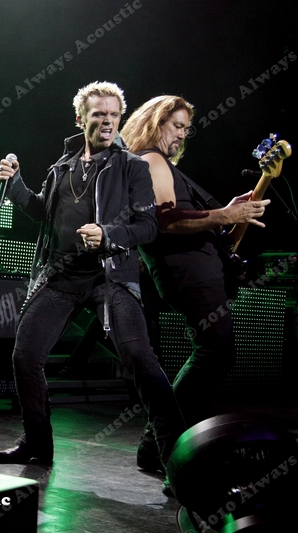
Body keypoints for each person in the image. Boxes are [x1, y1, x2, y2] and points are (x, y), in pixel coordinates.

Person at [0, 82, 185, 474]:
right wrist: (15, 185)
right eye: (99, 114)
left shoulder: (132, 166)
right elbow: (42, 213)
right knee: (26, 356)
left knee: (139, 358)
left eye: (114, 115)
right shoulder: (61, 167)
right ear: (81, 119)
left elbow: (148, 226)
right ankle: (37, 442)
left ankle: (177, 456)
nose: (108, 121)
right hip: (60, 276)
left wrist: (108, 235)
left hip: (109, 278)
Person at [119, 95, 269, 470]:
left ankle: (156, 444)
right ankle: (159, 443)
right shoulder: (151, 160)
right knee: (214, 350)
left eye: (186, 129)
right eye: (177, 126)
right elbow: (166, 220)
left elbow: (184, 215)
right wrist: (225, 214)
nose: (182, 135)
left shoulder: (159, 165)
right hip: (186, 273)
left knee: (215, 350)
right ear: (155, 123)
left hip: (195, 271)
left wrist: (227, 211)